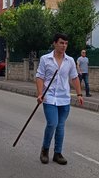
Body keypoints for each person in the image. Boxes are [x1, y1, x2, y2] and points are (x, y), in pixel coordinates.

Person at [36, 33, 84, 166]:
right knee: (52, 123)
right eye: (61, 43)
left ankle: (58, 153)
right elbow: (39, 77)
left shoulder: (70, 61)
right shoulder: (45, 59)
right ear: (55, 43)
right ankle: (45, 150)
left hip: (64, 98)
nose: (64, 46)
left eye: (66, 43)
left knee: (61, 126)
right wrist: (40, 94)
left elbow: (74, 77)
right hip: (49, 97)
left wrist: (79, 94)